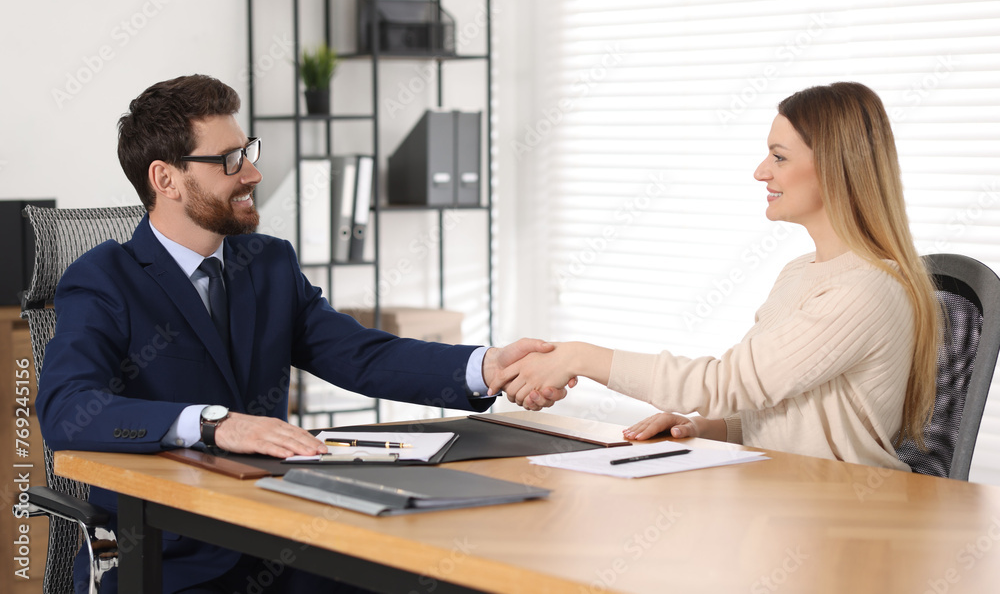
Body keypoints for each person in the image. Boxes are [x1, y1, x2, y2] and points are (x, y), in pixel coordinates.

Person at [36, 74, 569, 594]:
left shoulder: (267, 262)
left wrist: (487, 367)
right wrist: (214, 424)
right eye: (228, 160)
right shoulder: (105, 277)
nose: (251, 173)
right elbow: (66, 409)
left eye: (248, 151)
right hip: (174, 557)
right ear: (166, 179)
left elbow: (358, 355)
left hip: (281, 532)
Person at [494, 82, 940, 471]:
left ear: (835, 167)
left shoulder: (865, 289)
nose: (761, 171)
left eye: (779, 157)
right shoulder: (800, 273)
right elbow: (778, 400)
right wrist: (708, 427)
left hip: (841, 510)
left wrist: (579, 357)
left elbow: (728, 383)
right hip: (783, 491)